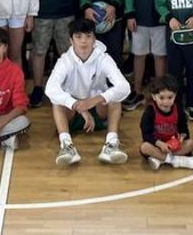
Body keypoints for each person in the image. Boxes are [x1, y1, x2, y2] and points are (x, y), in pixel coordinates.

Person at [46, 19, 131, 166]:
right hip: (72, 112)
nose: (84, 41)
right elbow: (50, 89)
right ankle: (66, 146)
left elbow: (124, 87)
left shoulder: (103, 58)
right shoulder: (65, 60)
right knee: (57, 102)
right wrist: (77, 105)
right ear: (71, 41)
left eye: (88, 36)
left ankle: (111, 144)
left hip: (98, 109)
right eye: (79, 37)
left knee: (115, 97)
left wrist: (95, 99)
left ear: (94, 39)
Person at [139, 75, 193, 170]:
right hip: (157, 145)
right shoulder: (150, 111)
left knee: (191, 143)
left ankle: (160, 159)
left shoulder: (178, 108)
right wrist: (160, 144)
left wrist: (182, 138)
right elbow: (146, 134)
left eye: (170, 97)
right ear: (154, 97)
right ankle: (176, 160)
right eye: (162, 98)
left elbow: (183, 127)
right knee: (145, 147)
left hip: (174, 146)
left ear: (175, 95)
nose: (166, 102)